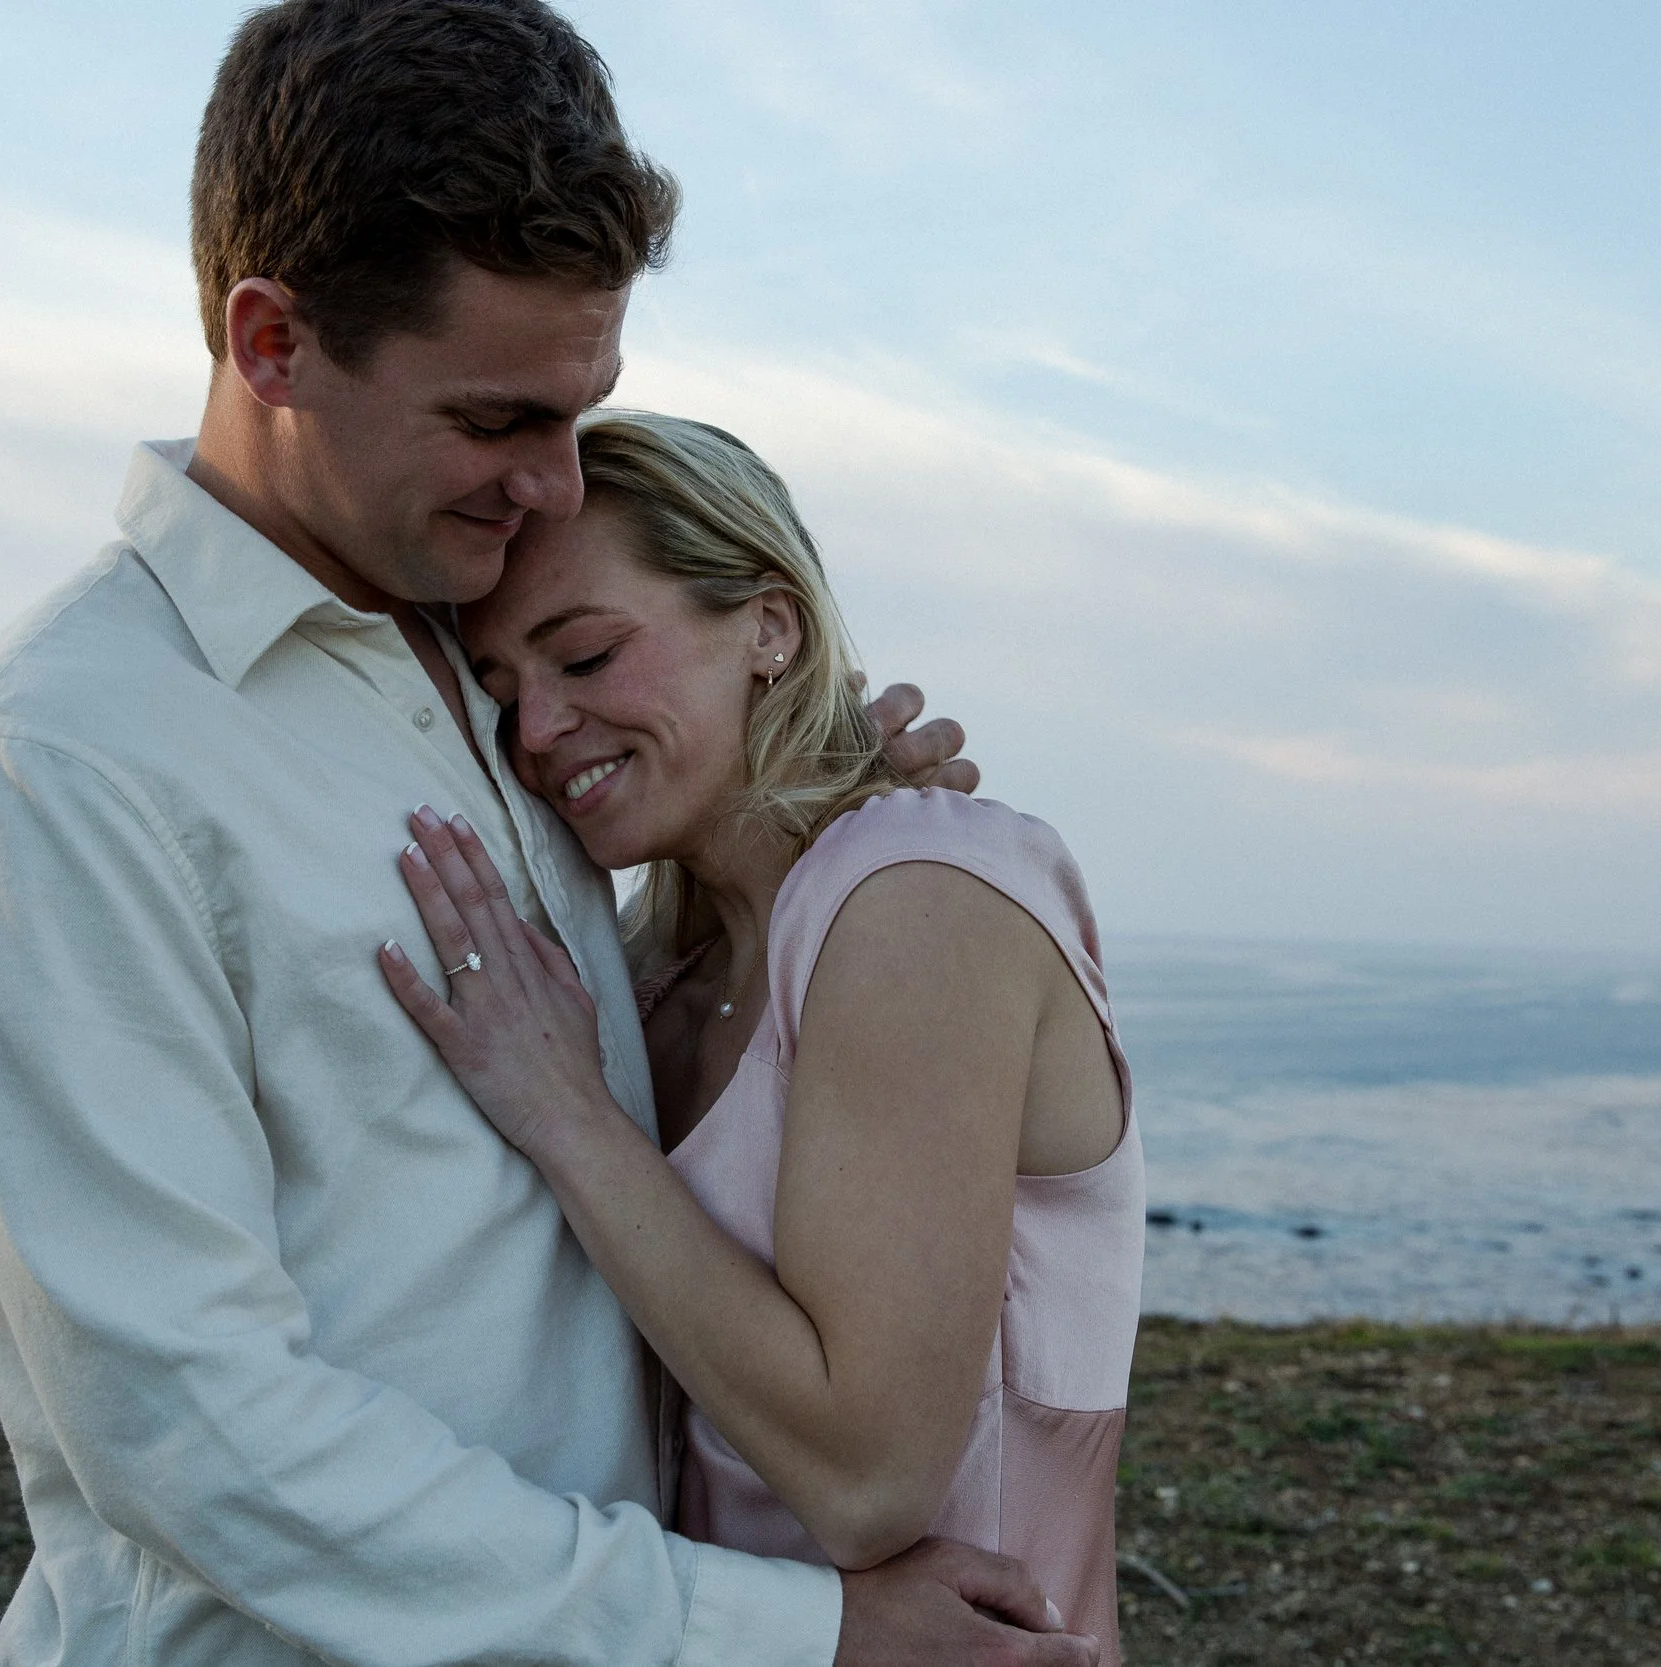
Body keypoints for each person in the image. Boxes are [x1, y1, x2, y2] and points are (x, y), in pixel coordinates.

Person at [0, 1, 1096, 1662]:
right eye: (494, 421)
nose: (550, 484)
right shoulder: (62, 761)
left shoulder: (473, 654)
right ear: (271, 343)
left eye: (578, 405)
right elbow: (196, 1427)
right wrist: (773, 1630)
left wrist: (822, 823)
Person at [374, 412, 1146, 1664]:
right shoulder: (664, 970)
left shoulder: (920, 892)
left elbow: (866, 1476)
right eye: (502, 691)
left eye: (585, 654)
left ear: (769, 627)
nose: (537, 730)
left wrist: (567, 1111)